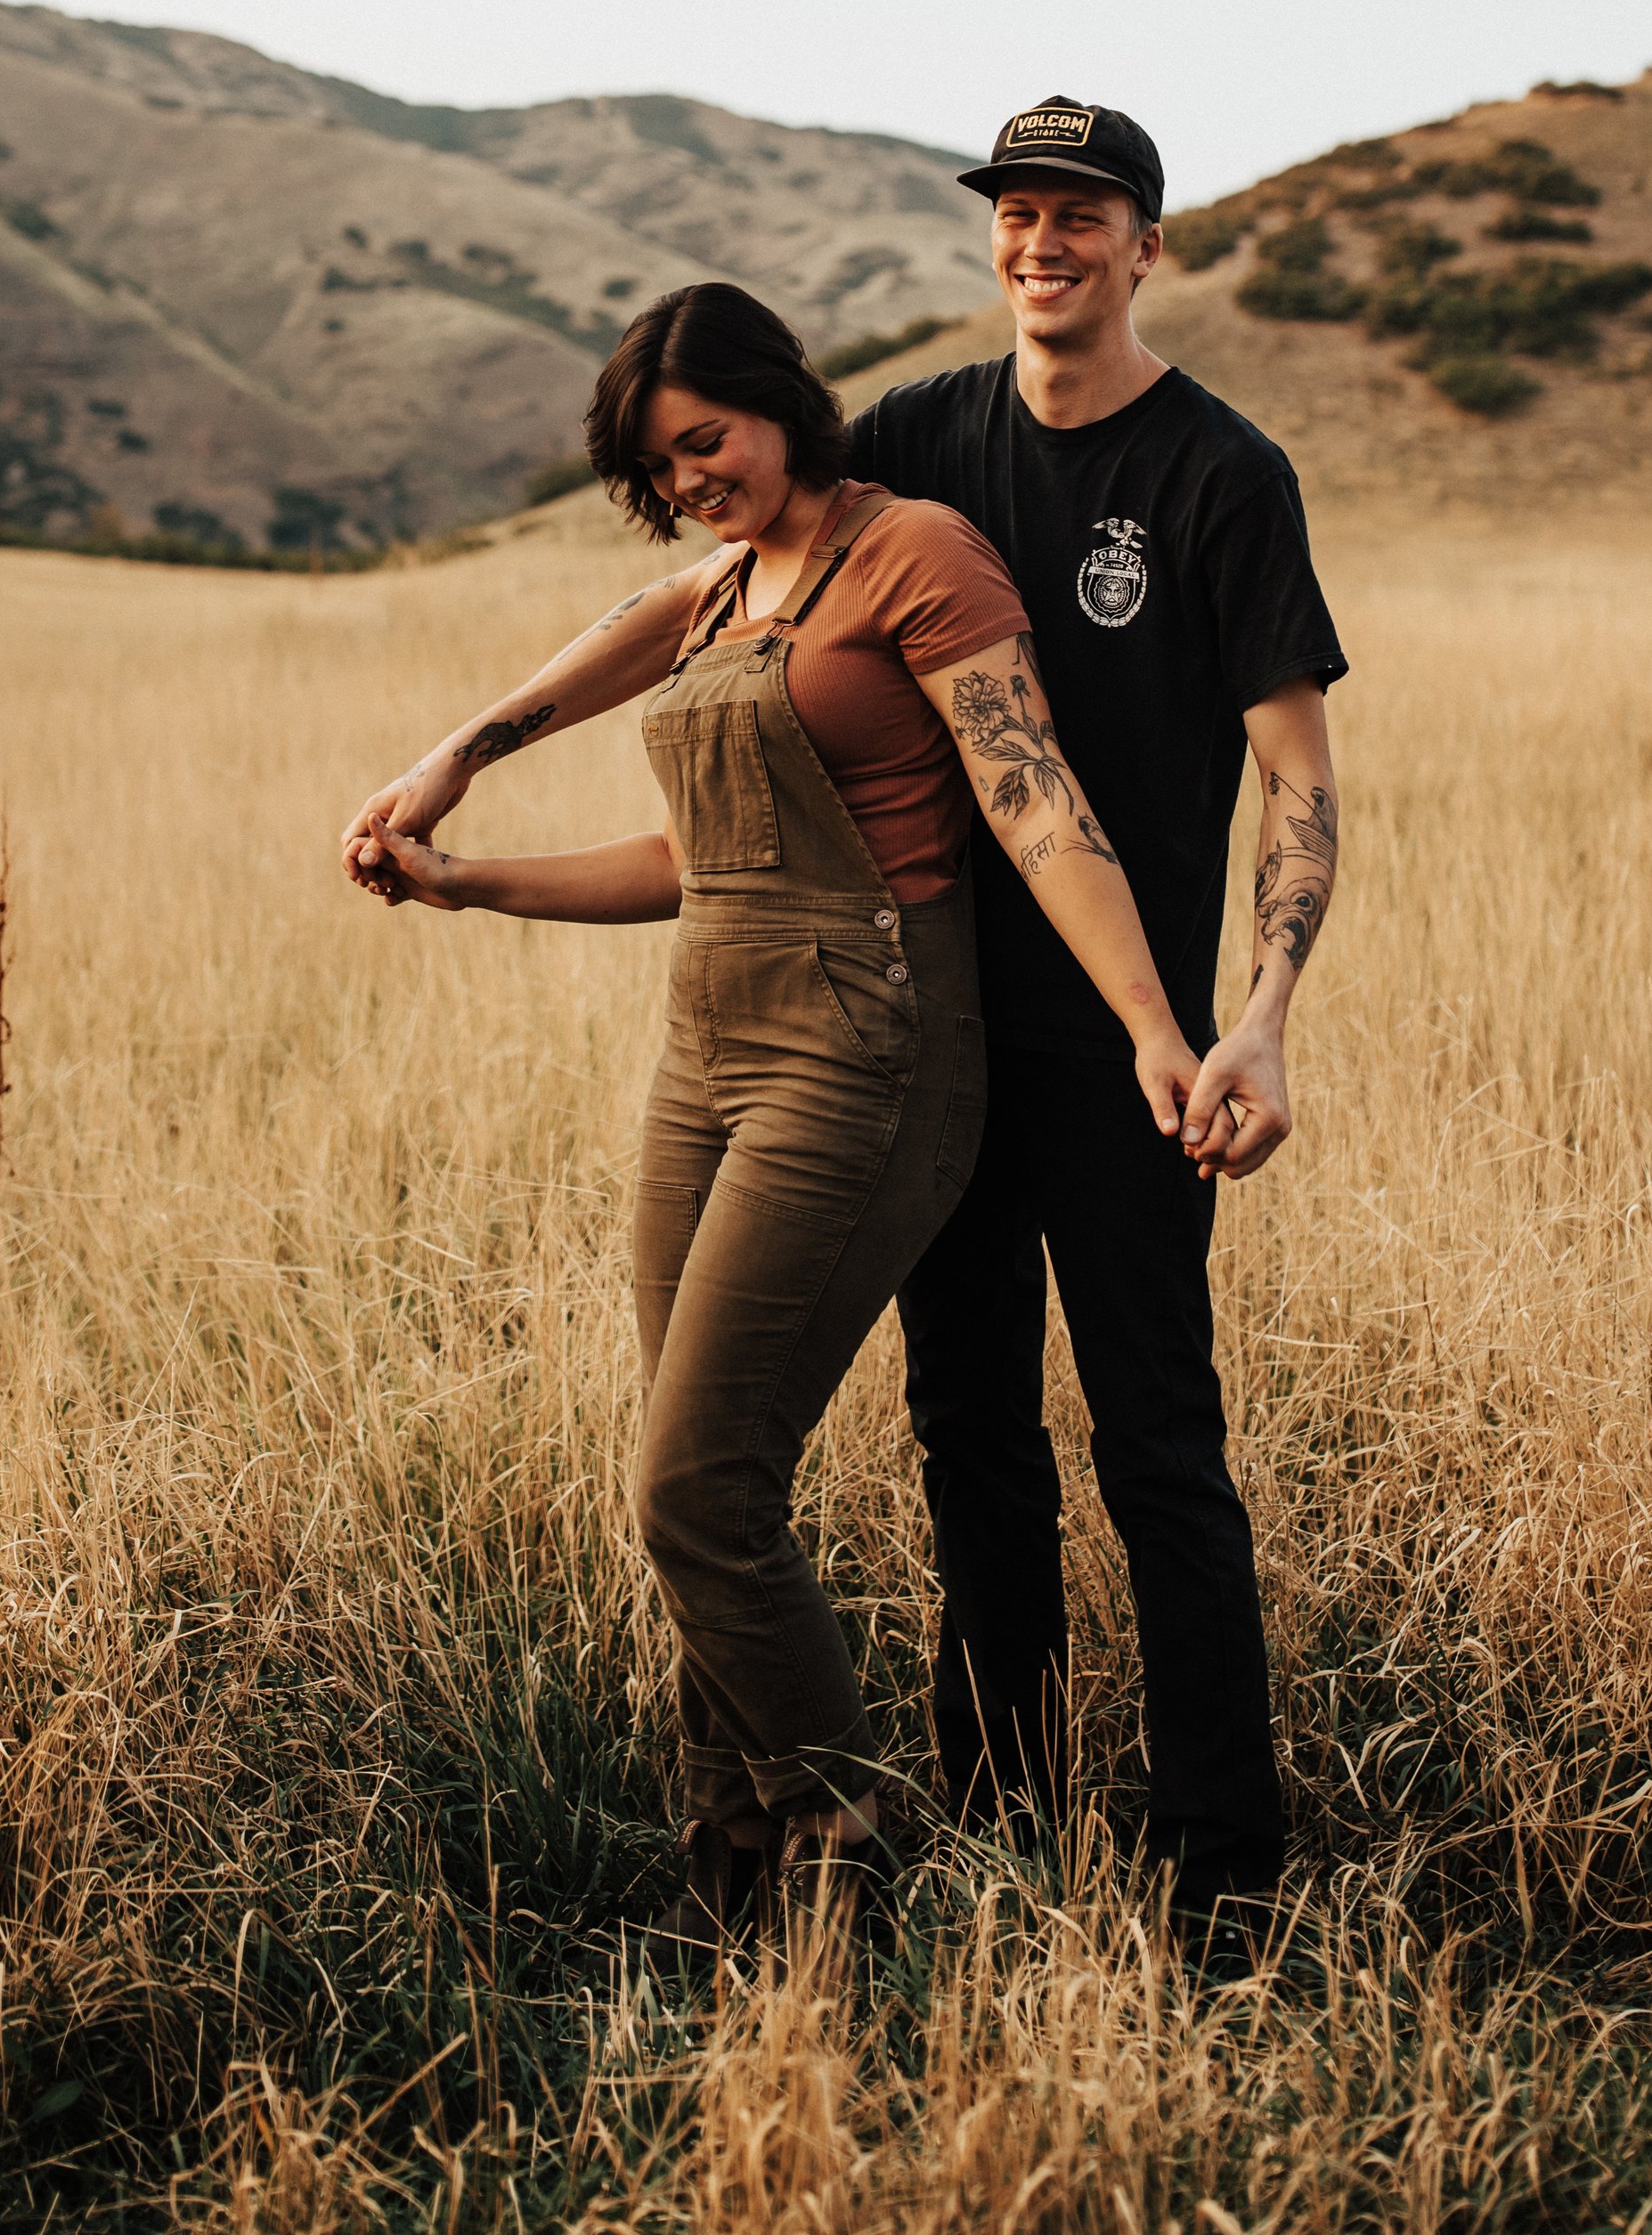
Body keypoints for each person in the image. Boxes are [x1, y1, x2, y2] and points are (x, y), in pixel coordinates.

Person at [345, 100, 1347, 1932]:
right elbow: (713, 589)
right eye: (1015, 213)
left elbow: (1271, 781)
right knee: (966, 1438)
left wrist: (1247, 1014)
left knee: (1155, 1449)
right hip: (919, 1016)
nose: (1040, 242)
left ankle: (1221, 1876)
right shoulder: (918, 435)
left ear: (1145, 240)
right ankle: (999, 1826)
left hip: (1105, 1035)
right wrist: (470, 754)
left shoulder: (1216, 473)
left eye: (1079, 214)